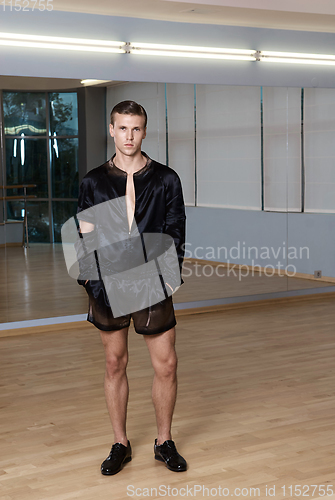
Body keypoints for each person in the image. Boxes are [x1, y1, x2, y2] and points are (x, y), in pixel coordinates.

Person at [76, 100, 187, 475]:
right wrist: (92, 280)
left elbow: (175, 230)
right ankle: (120, 443)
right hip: (107, 283)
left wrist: (167, 277)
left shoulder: (166, 178)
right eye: (122, 128)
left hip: (152, 281)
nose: (129, 136)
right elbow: (84, 235)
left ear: (144, 130)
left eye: (136, 128)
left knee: (167, 365)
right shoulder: (93, 181)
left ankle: (164, 441)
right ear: (111, 130)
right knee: (114, 362)